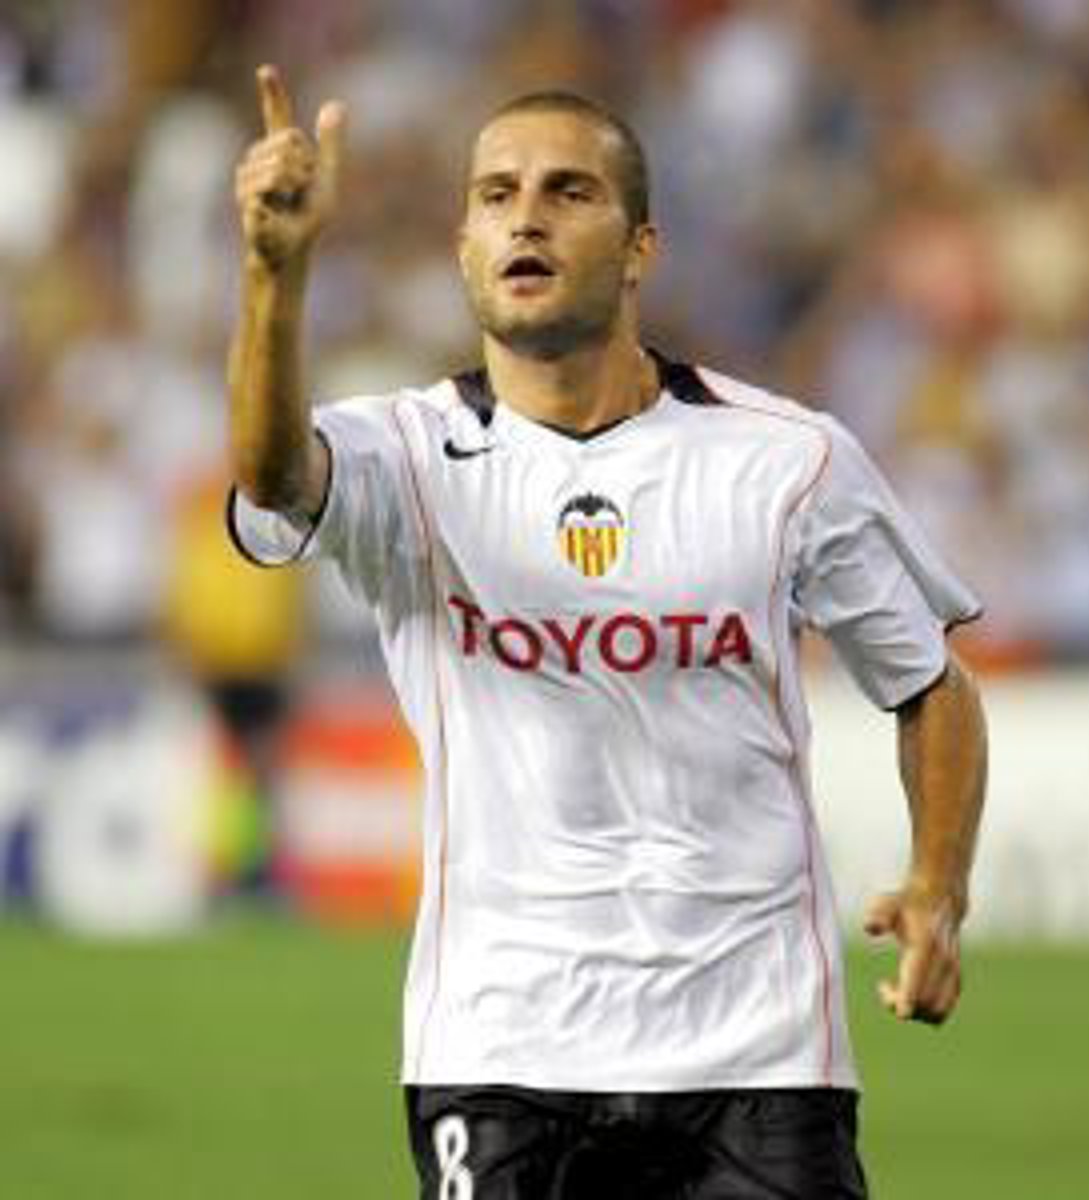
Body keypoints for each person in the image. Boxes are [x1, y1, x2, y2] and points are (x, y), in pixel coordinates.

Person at [227, 63, 988, 1200]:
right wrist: (273, 276)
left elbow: (930, 683)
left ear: (640, 249)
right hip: (500, 1052)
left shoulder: (788, 461)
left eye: (568, 191)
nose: (525, 216)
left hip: (759, 1055)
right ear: (465, 248)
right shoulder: (405, 458)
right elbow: (273, 477)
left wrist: (938, 885)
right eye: (496, 195)